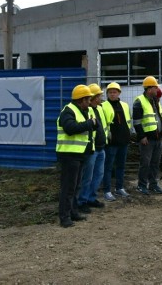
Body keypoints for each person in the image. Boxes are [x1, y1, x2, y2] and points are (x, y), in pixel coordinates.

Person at [56, 84, 96, 227]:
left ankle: (73, 212)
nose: (90, 102)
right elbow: (70, 129)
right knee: (68, 187)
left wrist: (92, 124)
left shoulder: (82, 110)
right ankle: (64, 217)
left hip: (78, 155)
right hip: (69, 155)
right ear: (81, 99)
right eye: (88, 99)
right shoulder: (68, 112)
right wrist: (89, 123)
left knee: (75, 186)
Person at [133, 76, 162, 195]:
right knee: (145, 163)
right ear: (149, 89)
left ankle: (153, 184)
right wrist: (142, 136)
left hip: (158, 137)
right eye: (155, 87)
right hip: (147, 139)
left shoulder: (155, 100)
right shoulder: (139, 101)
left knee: (155, 163)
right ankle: (141, 185)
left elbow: (159, 117)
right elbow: (136, 122)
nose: (157, 89)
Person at [100, 82, 132, 202]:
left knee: (121, 166)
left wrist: (128, 135)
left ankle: (120, 188)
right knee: (108, 167)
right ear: (107, 93)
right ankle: (107, 191)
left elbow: (128, 121)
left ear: (119, 93)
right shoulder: (103, 106)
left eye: (114, 92)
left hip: (123, 140)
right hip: (111, 142)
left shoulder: (124, 105)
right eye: (110, 92)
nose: (112, 94)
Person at [78, 83, 107, 209]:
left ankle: (91, 198)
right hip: (92, 149)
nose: (101, 98)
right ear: (94, 98)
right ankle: (82, 201)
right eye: (99, 96)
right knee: (87, 177)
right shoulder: (86, 110)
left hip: (101, 148)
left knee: (98, 175)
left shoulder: (99, 108)